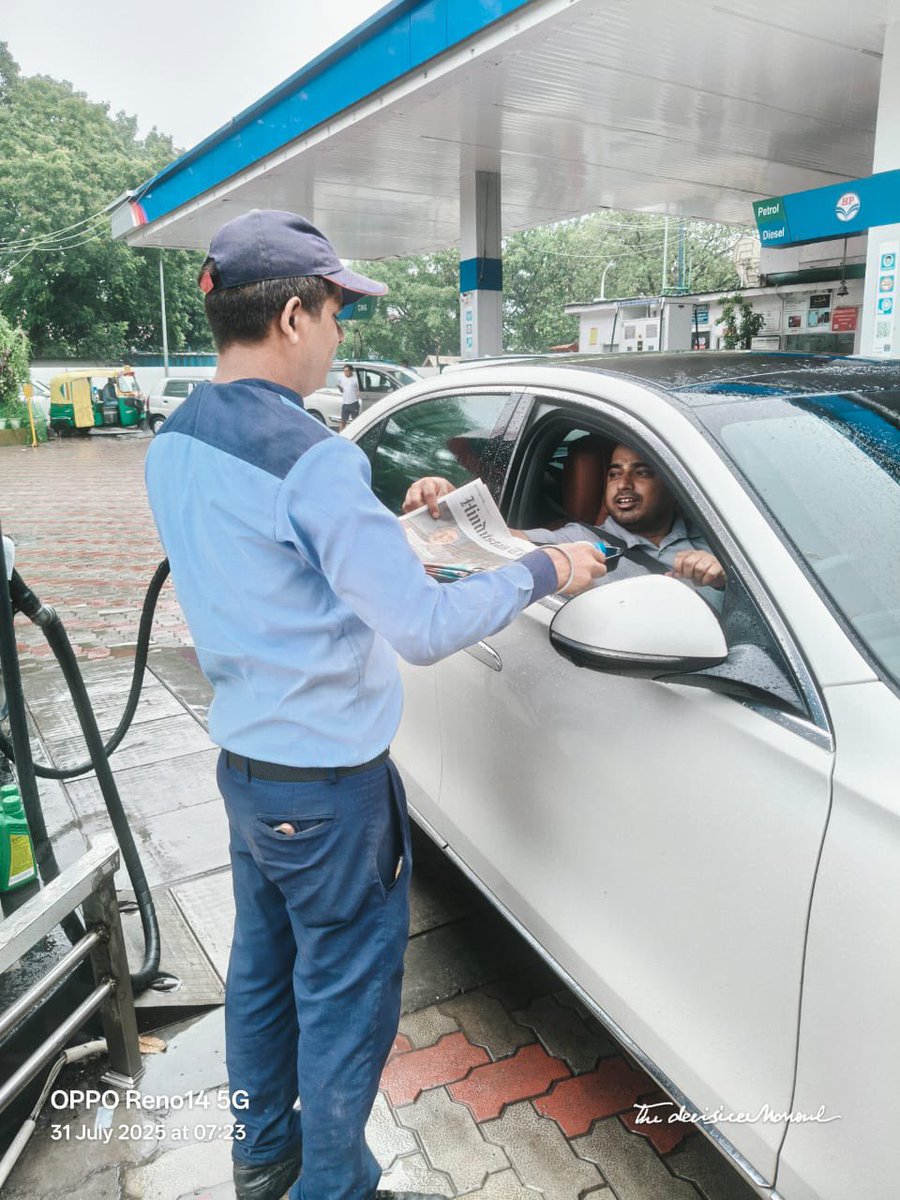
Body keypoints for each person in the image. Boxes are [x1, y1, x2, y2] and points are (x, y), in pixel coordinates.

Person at [144, 209, 606, 1200]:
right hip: (331, 800)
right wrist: (541, 566)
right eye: (340, 315)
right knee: (346, 1015)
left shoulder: (175, 438)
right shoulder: (311, 458)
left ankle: (262, 1162)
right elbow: (424, 631)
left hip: (249, 778)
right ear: (297, 315)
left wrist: (402, 534)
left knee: (263, 984)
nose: (342, 335)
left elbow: (276, 572)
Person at [404, 443, 726, 610]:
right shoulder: (581, 541)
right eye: (614, 474)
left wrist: (723, 577)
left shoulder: (720, 536)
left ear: (672, 487)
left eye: (641, 472)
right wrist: (446, 504)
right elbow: (501, 540)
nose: (624, 483)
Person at [338, 362, 360, 429]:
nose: (345, 373)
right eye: (344, 371)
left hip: (354, 403)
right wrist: (340, 388)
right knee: (343, 421)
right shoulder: (342, 378)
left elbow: (359, 390)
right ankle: (340, 436)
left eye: (347, 371)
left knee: (355, 422)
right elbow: (342, 391)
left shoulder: (356, 379)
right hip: (345, 403)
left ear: (351, 371)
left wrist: (358, 395)